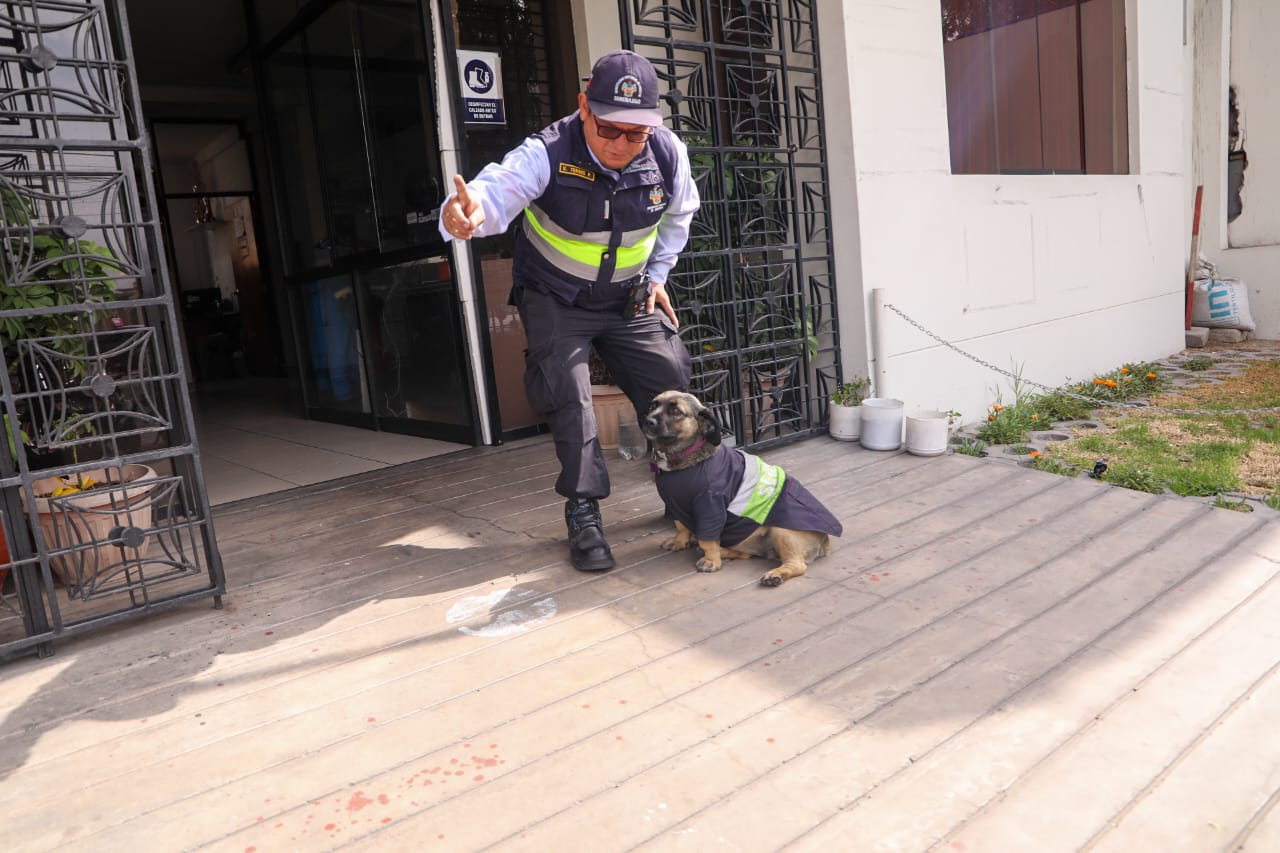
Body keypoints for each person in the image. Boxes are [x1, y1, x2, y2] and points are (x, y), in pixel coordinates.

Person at [440, 49, 700, 572]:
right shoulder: (547, 151)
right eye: (610, 129)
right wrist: (464, 215)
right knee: (570, 395)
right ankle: (584, 514)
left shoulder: (668, 153)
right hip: (556, 298)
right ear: (584, 106)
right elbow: (496, 191)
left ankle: (687, 492)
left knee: (671, 376)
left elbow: (680, 214)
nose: (623, 144)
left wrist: (657, 276)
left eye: (637, 133)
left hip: (628, 298)